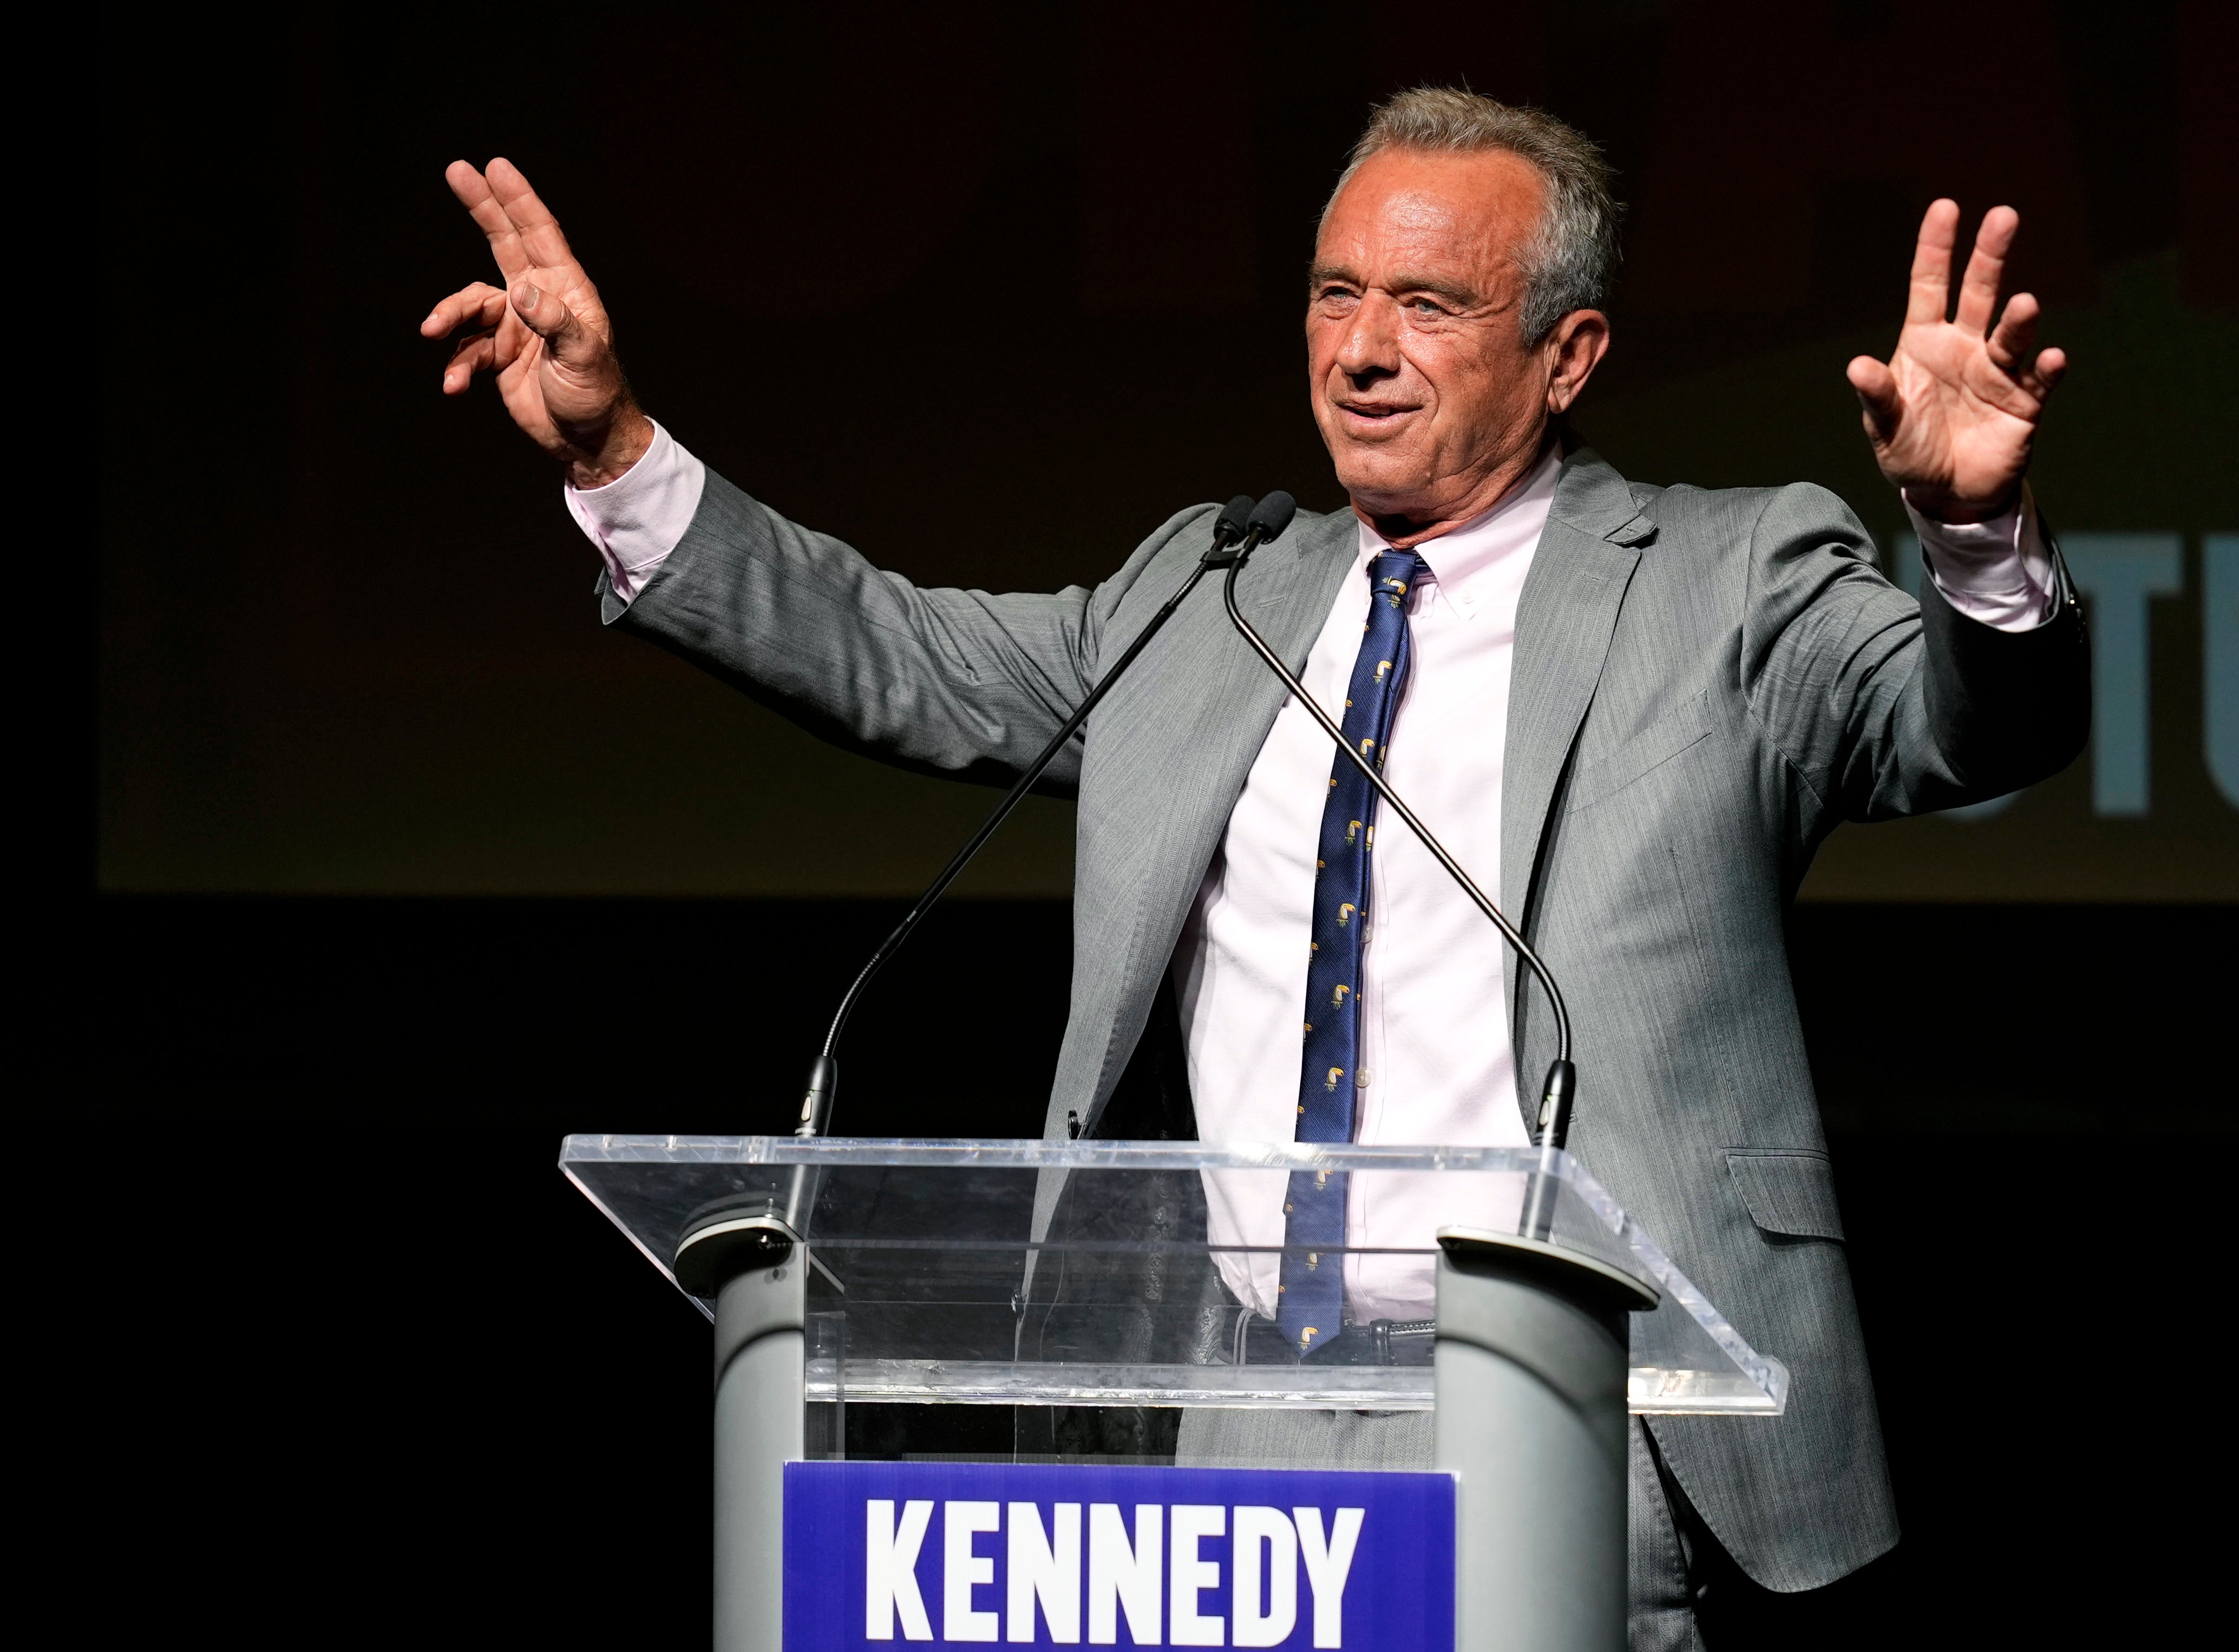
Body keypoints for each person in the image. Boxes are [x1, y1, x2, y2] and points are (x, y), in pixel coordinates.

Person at [425, 87, 2085, 1648]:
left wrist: (1971, 542)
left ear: (1565, 355)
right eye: (1333, 291)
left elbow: (1956, 726)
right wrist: (614, 452)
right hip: (1229, 1415)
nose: (1361, 349)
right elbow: (904, 654)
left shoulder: (1728, 577)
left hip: (1581, 1394)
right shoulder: (1204, 591)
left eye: (1428, 304)